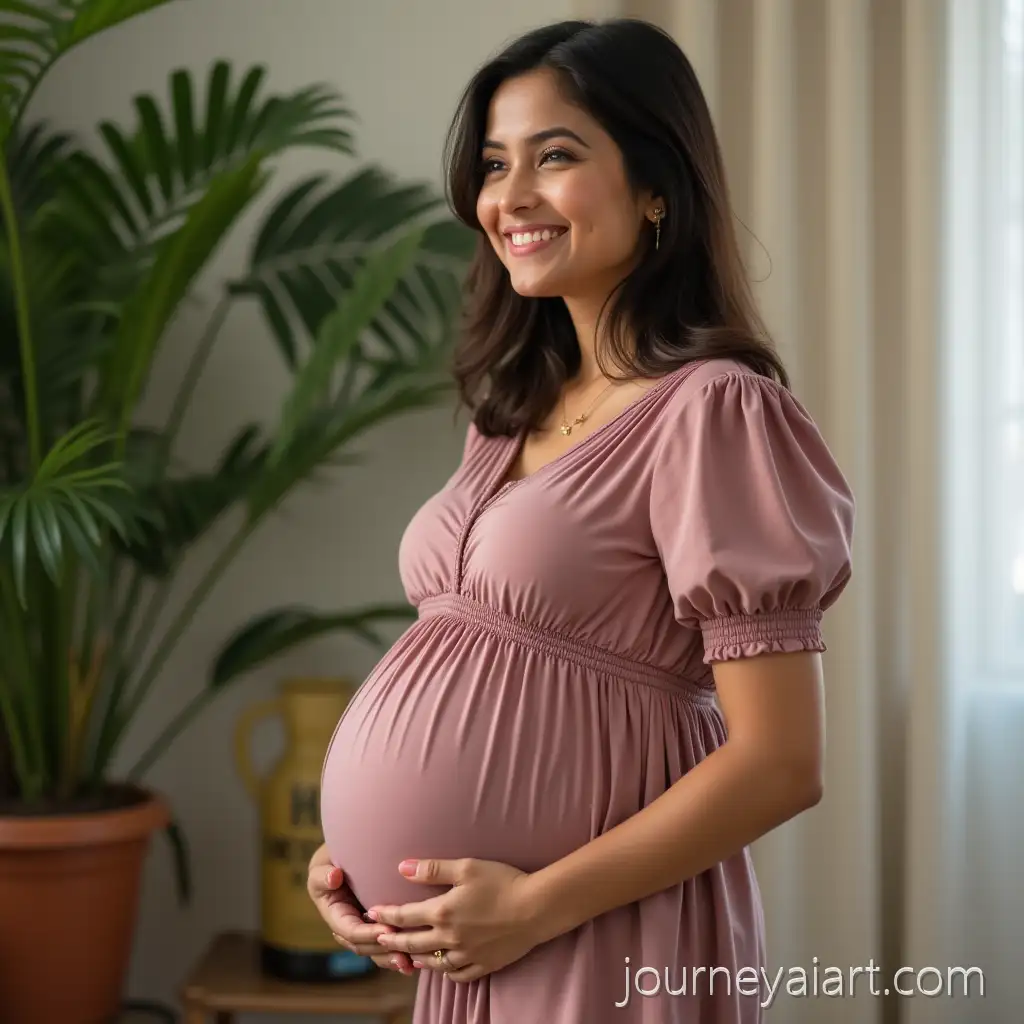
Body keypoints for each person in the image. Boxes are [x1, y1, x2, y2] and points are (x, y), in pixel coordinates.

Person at [307, 16, 855, 1024]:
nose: (507, 198)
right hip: (471, 949)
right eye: (492, 165)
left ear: (656, 189)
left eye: (554, 158)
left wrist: (531, 906)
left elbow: (782, 762)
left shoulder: (713, 410)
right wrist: (355, 859)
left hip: (600, 930)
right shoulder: (504, 415)